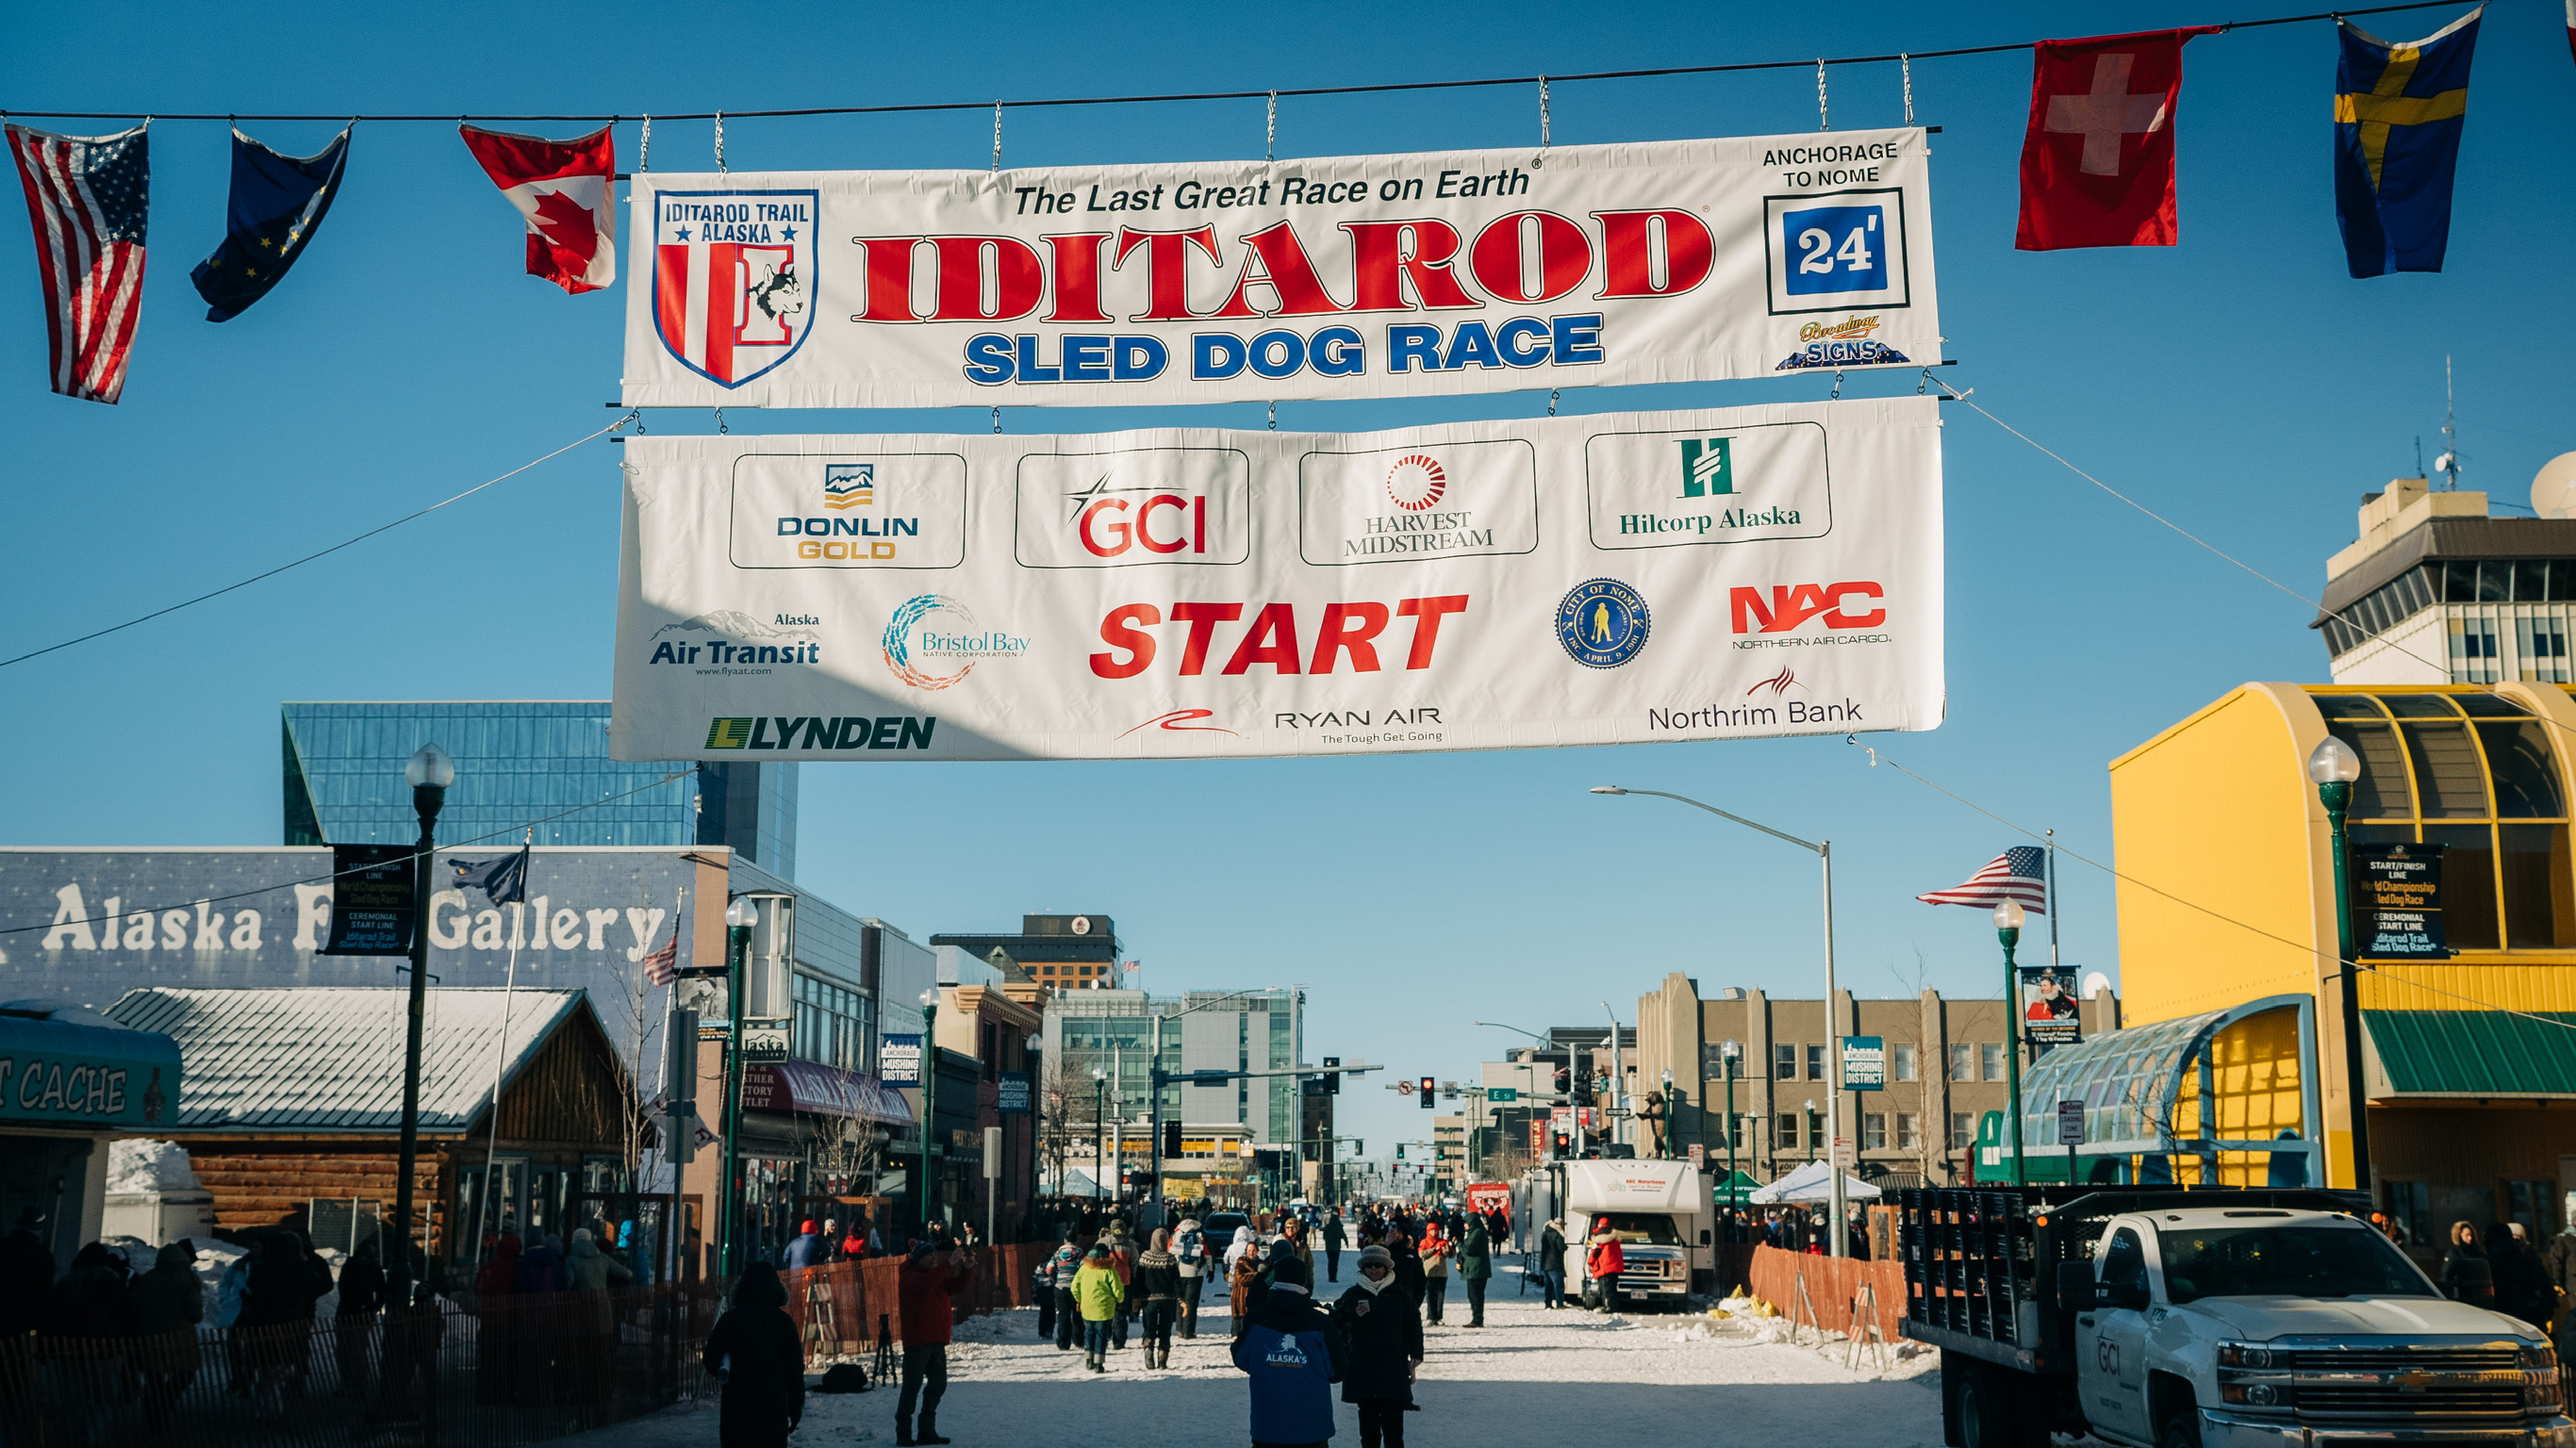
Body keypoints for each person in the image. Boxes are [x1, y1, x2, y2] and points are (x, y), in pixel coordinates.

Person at [1230, 1254, 1345, 1448]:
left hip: (1268, 1424)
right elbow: (1336, 1372)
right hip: (1312, 1426)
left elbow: (1241, 1358)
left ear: (1275, 1279)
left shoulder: (1257, 1318)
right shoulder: (1321, 1323)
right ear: (1304, 1282)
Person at [703, 1262, 804, 1448]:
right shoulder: (783, 1323)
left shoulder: (730, 1320)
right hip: (772, 1405)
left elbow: (710, 1359)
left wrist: (729, 1372)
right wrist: (795, 1407)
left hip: (737, 1405)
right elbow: (794, 1370)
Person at [1332, 1245, 1422, 1448]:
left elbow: (1414, 1325)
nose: (1373, 1269)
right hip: (1363, 1369)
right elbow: (1336, 1324)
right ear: (1363, 1268)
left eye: (1378, 1265)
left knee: (1394, 1432)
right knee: (1368, 1432)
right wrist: (1354, 1316)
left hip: (1393, 1368)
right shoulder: (1352, 1294)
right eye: (1369, 1265)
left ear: (1387, 1267)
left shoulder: (1400, 1294)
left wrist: (1417, 1353)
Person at [897, 1230, 974, 1445]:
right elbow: (925, 1285)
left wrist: (967, 1269)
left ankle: (926, 1431)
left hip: (936, 1340)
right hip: (918, 1341)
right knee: (911, 1388)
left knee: (938, 1385)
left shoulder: (935, 1276)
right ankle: (903, 1433)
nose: (933, 1259)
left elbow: (955, 1287)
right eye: (929, 1256)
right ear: (918, 1258)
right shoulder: (910, 1277)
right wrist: (948, 1264)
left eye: (934, 1255)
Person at [130, 1238, 204, 1431]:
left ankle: (154, 1413)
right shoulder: (187, 1279)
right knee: (185, 1373)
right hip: (179, 1339)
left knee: (154, 1377)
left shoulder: (147, 1278)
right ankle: (164, 1403)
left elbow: (135, 1306)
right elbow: (195, 1313)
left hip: (149, 1338)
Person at [332, 1238, 385, 1400]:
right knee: (344, 1353)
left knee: (357, 1352)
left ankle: (358, 1385)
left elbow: (381, 1291)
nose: (362, 1259)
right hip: (347, 1312)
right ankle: (346, 1384)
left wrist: (372, 1308)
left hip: (361, 1314)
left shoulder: (373, 1269)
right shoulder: (350, 1266)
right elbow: (344, 1289)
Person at [1073, 1242, 1126, 1373]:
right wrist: (1119, 1300)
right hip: (1104, 1308)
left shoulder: (1083, 1269)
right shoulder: (1109, 1271)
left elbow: (1074, 1287)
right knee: (1101, 1336)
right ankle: (1099, 1364)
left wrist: (1080, 1299)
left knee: (1089, 1333)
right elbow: (1118, 1289)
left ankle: (1089, 1361)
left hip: (1087, 1307)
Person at [2488, 1222, 2549, 1329]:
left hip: (2524, 1309)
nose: (2515, 1241)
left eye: (2518, 1238)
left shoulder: (2528, 1257)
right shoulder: (2506, 1258)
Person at [1134, 1227, 1181, 1368]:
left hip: (1149, 1300)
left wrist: (1136, 1297)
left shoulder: (1145, 1257)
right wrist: (1181, 1298)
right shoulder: (1170, 1259)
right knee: (1165, 1329)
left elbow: (1139, 1280)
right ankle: (1162, 1359)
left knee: (1149, 1327)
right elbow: (1176, 1282)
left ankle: (1148, 1347)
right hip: (1167, 1300)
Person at [2441, 1220, 2495, 1308]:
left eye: (2471, 1235)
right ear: (2459, 1236)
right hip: (2461, 1297)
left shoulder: (2478, 1254)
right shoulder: (2454, 1254)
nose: (2470, 1238)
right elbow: (2445, 1276)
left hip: (2480, 1297)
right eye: (2466, 1235)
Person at [1047, 1228, 1084, 1350]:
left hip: (1061, 1288)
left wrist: (1055, 1279)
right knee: (1078, 1315)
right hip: (1077, 1288)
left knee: (1063, 1315)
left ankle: (1063, 1343)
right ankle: (1079, 1341)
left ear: (1065, 1240)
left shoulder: (1058, 1253)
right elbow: (1084, 1267)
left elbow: (1049, 1269)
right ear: (1076, 1240)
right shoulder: (1079, 1252)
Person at [1174, 1214, 1209, 1338]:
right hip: (1196, 1273)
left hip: (1179, 1271)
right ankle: (1188, 1331)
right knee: (1191, 1302)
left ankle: (1180, 1329)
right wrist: (1210, 1269)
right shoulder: (1200, 1233)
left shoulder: (1177, 1233)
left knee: (1180, 1300)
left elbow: (1170, 1250)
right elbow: (1207, 1253)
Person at [1456, 1215, 1492, 1328]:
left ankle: (1477, 1320)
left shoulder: (1477, 1233)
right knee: (1474, 1295)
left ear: (1472, 1223)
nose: (1464, 1225)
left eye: (1466, 1223)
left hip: (1476, 1270)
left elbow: (1468, 1250)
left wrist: (1459, 1243)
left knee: (1475, 1295)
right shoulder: (1476, 1232)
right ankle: (1477, 1318)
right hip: (1475, 1269)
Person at [1228, 1226, 1261, 1341]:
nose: (1251, 1253)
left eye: (1254, 1250)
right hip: (1241, 1296)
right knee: (1241, 1320)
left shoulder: (1261, 1263)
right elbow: (1241, 1278)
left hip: (1255, 1297)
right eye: (1249, 1251)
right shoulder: (1241, 1262)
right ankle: (1235, 1333)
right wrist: (1257, 1275)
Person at [1586, 1222, 1626, 1313]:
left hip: (1605, 1268)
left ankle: (1608, 1307)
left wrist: (1590, 1262)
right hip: (1614, 1268)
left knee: (1605, 1289)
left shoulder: (1601, 1240)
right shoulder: (1615, 1240)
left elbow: (1595, 1254)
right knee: (1612, 1289)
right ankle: (1613, 1307)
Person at [1418, 1221, 1448, 1325]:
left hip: (1442, 1273)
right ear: (1428, 1231)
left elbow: (1450, 1254)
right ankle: (1431, 1316)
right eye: (1432, 1230)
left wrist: (1446, 1251)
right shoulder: (1424, 1242)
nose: (1434, 1232)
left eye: (1436, 1230)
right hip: (1429, 1272)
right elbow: (1421, 1254)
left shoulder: (1443, 1242)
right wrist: (1433, 1250)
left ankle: (1439, 1317)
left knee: (1440, 1295)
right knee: (1430, 1295)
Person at [1539, 1220, 1568, 1308]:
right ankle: (1560, 1303)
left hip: (1545, 1264)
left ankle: (1548, 1304)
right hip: (1555, 1263)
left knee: (1548, 1286)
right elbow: (1560, 1248)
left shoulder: (1544, 1234)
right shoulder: (1557, 1235)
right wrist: (1565, 1246)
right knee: (1559, 1284)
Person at [1322, 1209, 1347, 1284]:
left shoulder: (1327, 1227)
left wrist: (1328, 1240)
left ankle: (1330, 1277)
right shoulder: (1339, 1227)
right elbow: (1343, 1235)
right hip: (1336, 1248)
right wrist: (1346, 1242)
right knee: (1335, 1263)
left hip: (1329, 1248)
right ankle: (1334, 1277)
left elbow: (1324, 1236)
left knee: (1330, 1262)